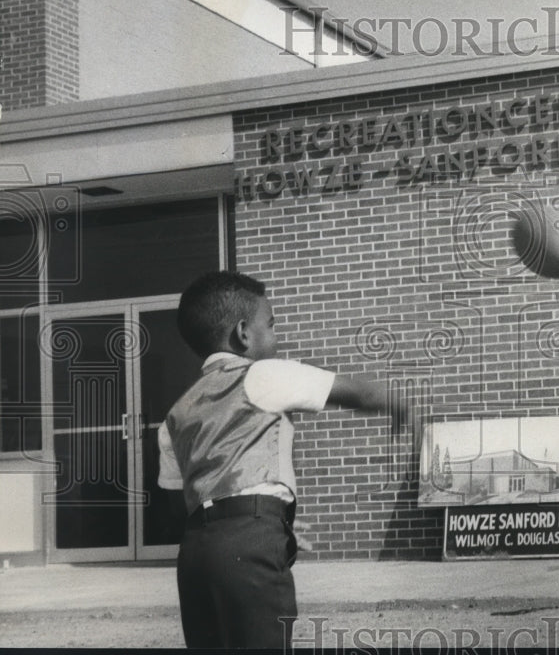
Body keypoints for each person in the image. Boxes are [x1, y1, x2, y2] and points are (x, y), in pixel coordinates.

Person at [158, 270, 406, 649]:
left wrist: (257, 516)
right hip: (250, 542)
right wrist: (404, 404)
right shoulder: (263, 373)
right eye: (270, 325)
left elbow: (180, 506)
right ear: (243, 333)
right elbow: (359, 394)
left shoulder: (175, 414)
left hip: (195, 554)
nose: (275, 336)